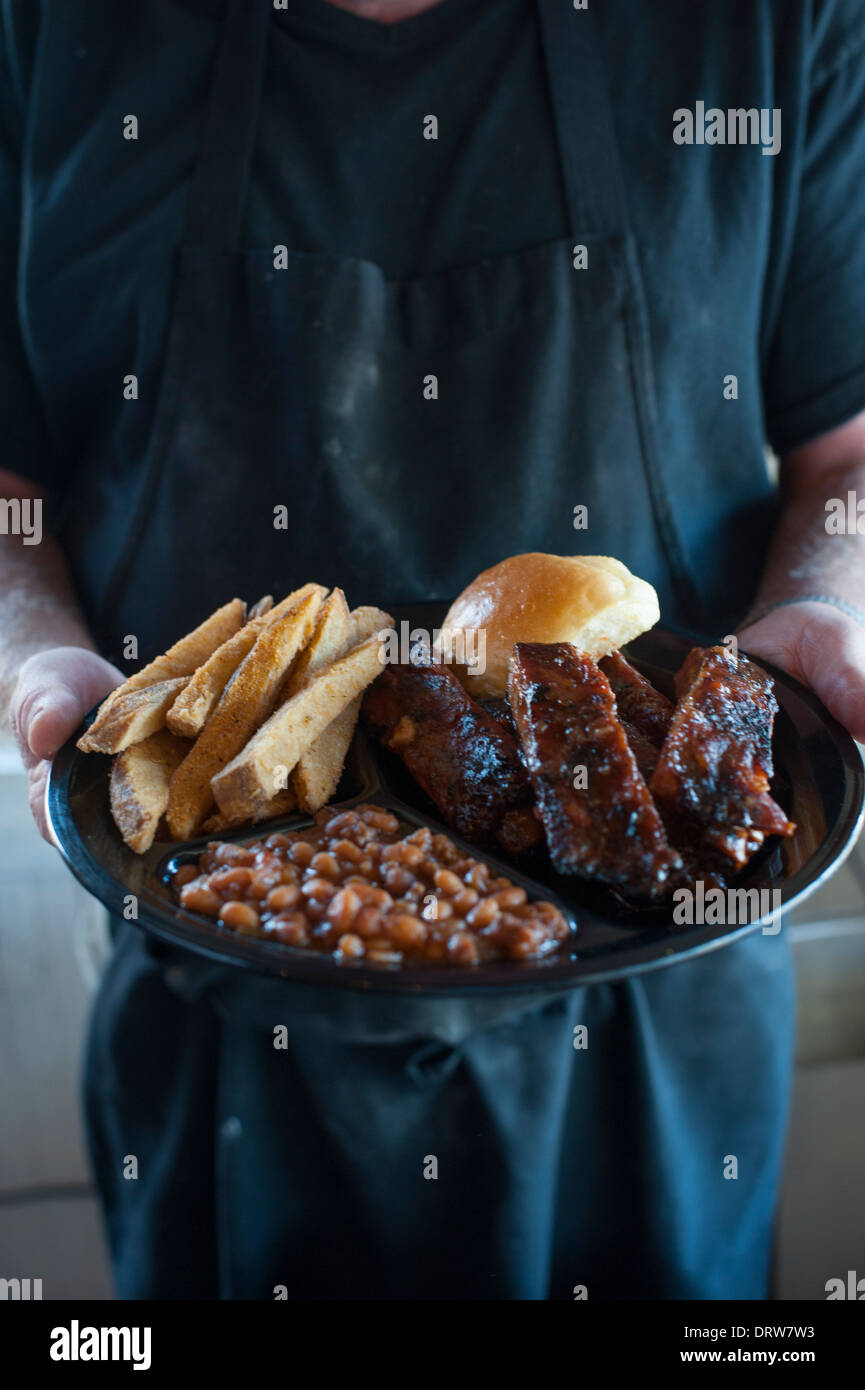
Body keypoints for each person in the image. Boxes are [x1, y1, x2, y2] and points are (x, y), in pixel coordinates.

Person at [3, 0, 865, 1300]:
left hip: (667, 1034)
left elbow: (848, 461)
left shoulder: (775, 22)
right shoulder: (38, 31)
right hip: (215, 1004)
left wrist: (827, 604)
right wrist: (37, 656)